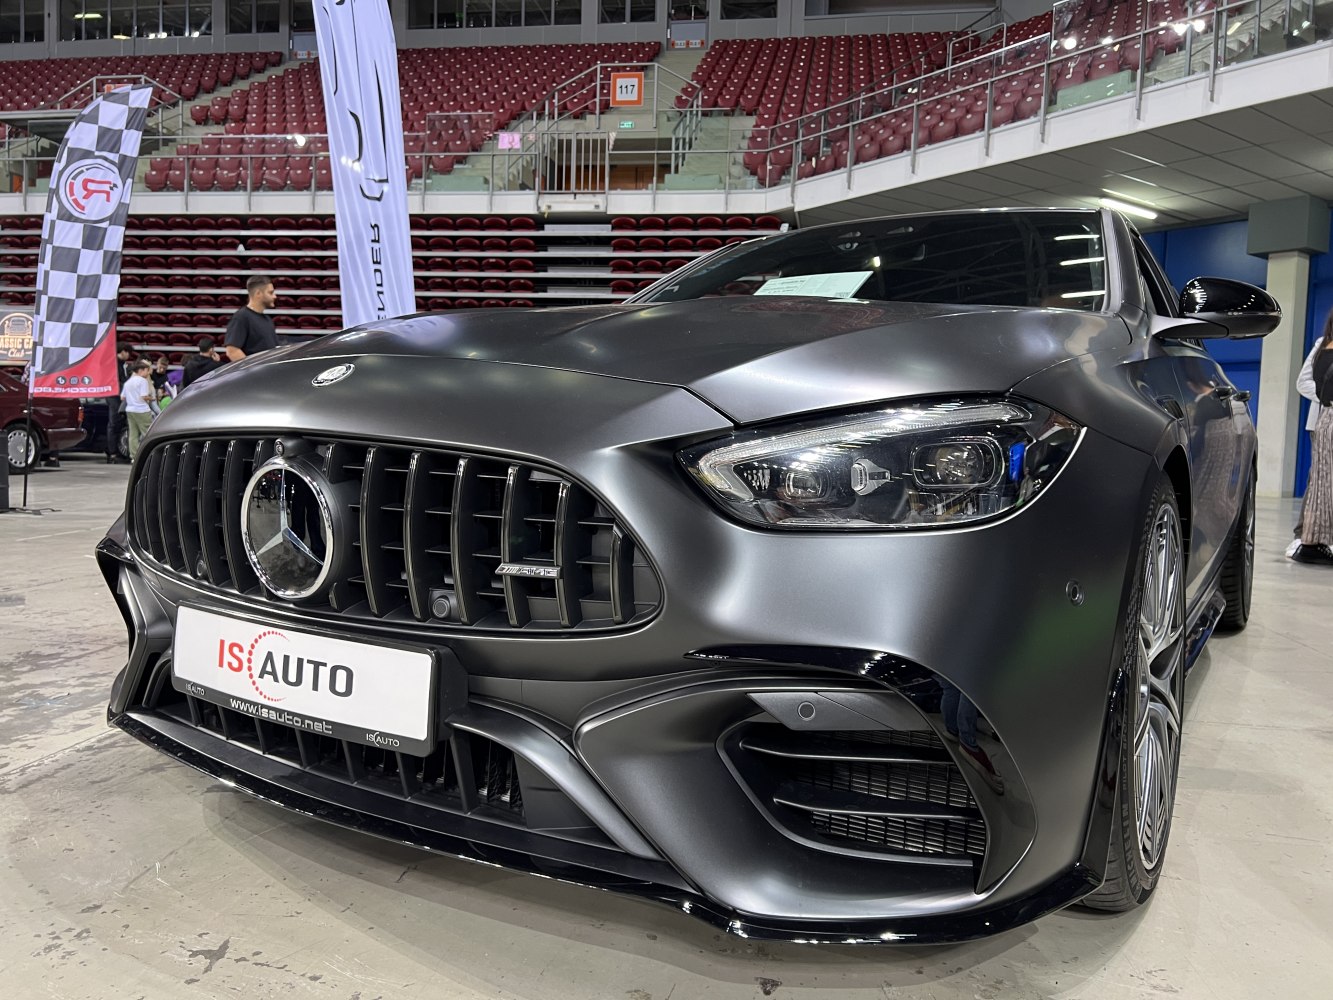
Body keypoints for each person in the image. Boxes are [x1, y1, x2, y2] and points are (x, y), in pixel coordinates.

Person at [1294, 320, 1333, 564]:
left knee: (1320, 482)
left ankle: (1310, 537)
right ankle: (1305, 536)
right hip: (1321, 421)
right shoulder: (1321, 346)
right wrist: (1326, 396)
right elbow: (1303, 382)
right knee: (1318, 481)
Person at [224, 275, 278, 362]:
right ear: (258, 293)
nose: (275, 296)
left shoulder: (267, 319)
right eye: (270, 293)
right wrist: (252, 371)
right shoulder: (241, 317)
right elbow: (232, 351)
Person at [121, 359, 155, 461]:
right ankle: (149, 454)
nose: (148, 373)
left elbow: (122, 397)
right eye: (147, 370)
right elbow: (143, 396)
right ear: (141, 370)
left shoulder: (128, 382)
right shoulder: (143, 381)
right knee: (147, 433)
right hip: (141, 410)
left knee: (133, 434)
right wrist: (152, 398)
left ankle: (134, 457)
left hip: (130, 409)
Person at [105, 344, 133, 464]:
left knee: (116, 424)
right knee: (114, 424)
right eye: (128, 353)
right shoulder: (115, 364)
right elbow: (117, 381)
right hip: (114, 397)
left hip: (117, 396)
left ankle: (113, 452)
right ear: (123, 351)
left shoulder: (121, 364)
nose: (129, 356)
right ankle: (112, 453)